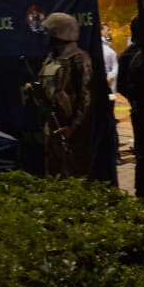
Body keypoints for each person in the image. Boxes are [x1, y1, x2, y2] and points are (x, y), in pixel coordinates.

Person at [22, 12, 94, 178]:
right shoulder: (51, 58)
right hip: (51, 126)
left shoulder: (78, 58)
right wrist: (33, 90)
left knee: (74, 177)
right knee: (54, 175)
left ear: (58, 34)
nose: (45, 36)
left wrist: (72, 127)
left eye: (49, 32)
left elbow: (86, 98)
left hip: (70, 131)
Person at [116, 17, 144, 204]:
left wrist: (135, 100)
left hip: (139, 111)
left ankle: (143, 198)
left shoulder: (127, 54)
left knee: (143, 158)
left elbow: (121, 86)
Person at [101, 24, 119, 96]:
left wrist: (110, 77)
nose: (109, 32)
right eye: (107, 30)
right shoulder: (99, 45)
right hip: (106, 77)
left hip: (109, 78)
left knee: (110, 97)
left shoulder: (107, 44)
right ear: (101, 30)